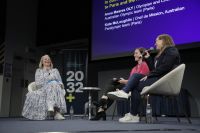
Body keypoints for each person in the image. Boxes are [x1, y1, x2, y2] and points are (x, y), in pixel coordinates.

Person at [108, 34, 181, 123]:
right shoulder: (160, 54)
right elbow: (154, 70)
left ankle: (125, 94)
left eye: (157, 41)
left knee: (135, 77)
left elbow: (165, 67)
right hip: (158, 79)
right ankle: (133, 115)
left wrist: (149, 75)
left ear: (163, 40)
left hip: (164, 80)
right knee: (135, 84)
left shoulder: (171, 50)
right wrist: (148, 58)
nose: (155, 44)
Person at [91, 47, 150, 120]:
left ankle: (101, 107)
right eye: (134, 53)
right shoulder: (134, 68)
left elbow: (139, 81)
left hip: (137, 89)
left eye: (136, 53)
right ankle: (101, 109)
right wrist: (123, 80)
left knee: (112, 86)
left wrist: (123, 81)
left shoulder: (145, 65)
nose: (134, 55)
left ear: (142, 54)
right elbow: (131, 80)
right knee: (112, 84)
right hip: (130, 87)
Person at [22, 54, 67, 120]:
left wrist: (56, 83)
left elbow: (60, 81)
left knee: (54, 83)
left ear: (50, 61)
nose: (47, 60)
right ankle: (56, 113)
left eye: (48, 59)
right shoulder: (38, 71)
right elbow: (38, 83)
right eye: (45, 59)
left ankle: (51, 106)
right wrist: (49, 78)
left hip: (56, 88)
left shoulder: (55, 70)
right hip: (43, 89)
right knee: (52, 84)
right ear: (42, 62)